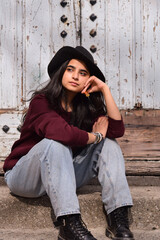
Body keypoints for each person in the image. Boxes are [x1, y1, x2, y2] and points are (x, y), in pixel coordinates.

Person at [3, 46, 134, 240]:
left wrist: (105, 89)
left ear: (89, 80)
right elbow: (59, 132)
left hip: (62, 176)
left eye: (83, 73)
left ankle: (118, 217)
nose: (75, 76)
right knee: (55, 143)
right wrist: (95, 136)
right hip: (24, 177)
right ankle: (69, 223)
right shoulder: (42, 102)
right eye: (70, 69)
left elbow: (116, 130)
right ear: (61, 72)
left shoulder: (86, 107)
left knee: (110, 144)